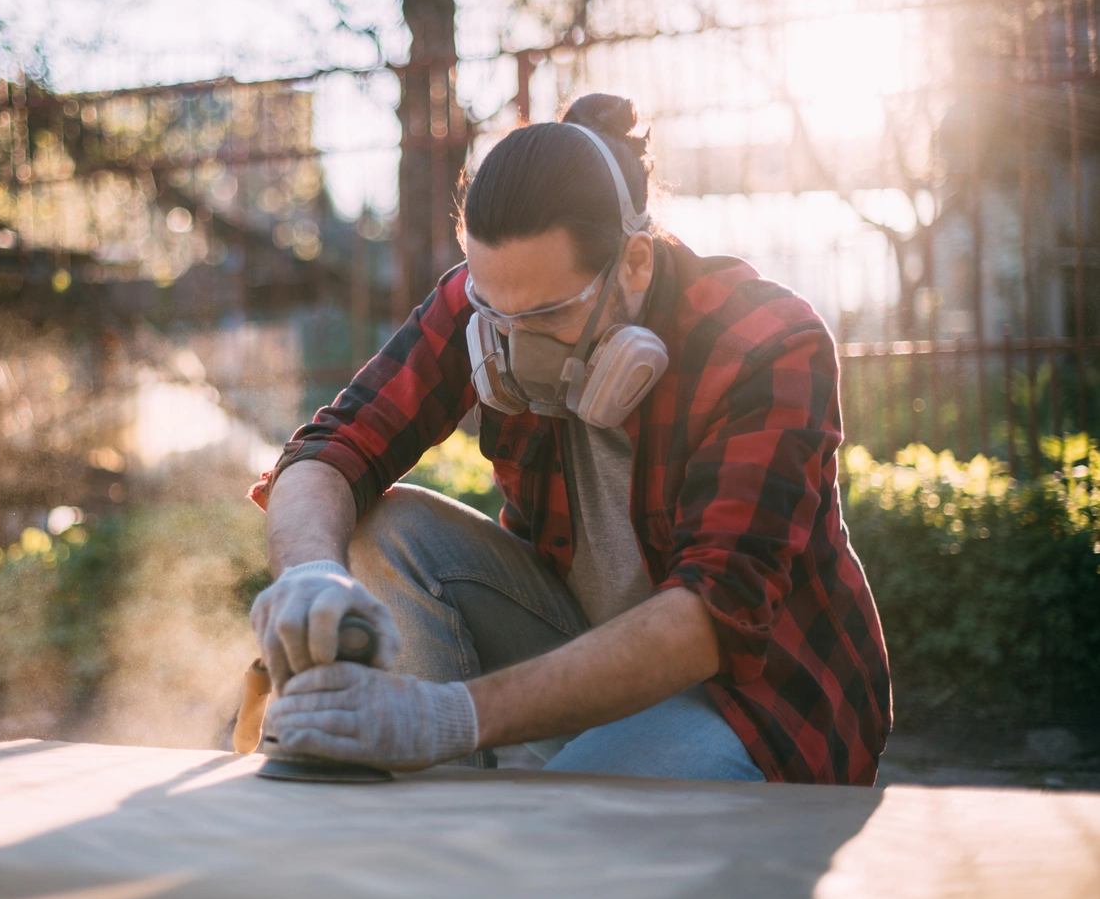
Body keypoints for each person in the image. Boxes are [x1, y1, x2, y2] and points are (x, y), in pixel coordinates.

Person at [248, 93, 891, 785]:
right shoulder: (493, 302)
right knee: (390, 525)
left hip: (757, 698)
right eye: (494, 311)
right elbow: (328, 452)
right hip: (581, 651)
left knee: (562, 825)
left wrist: (444, 716)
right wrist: (309, 574)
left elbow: (710, 617)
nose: (512, 345)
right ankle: (419, 801)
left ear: (635, 265)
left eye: (547, 315)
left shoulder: (767, 343)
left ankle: (440, 754)